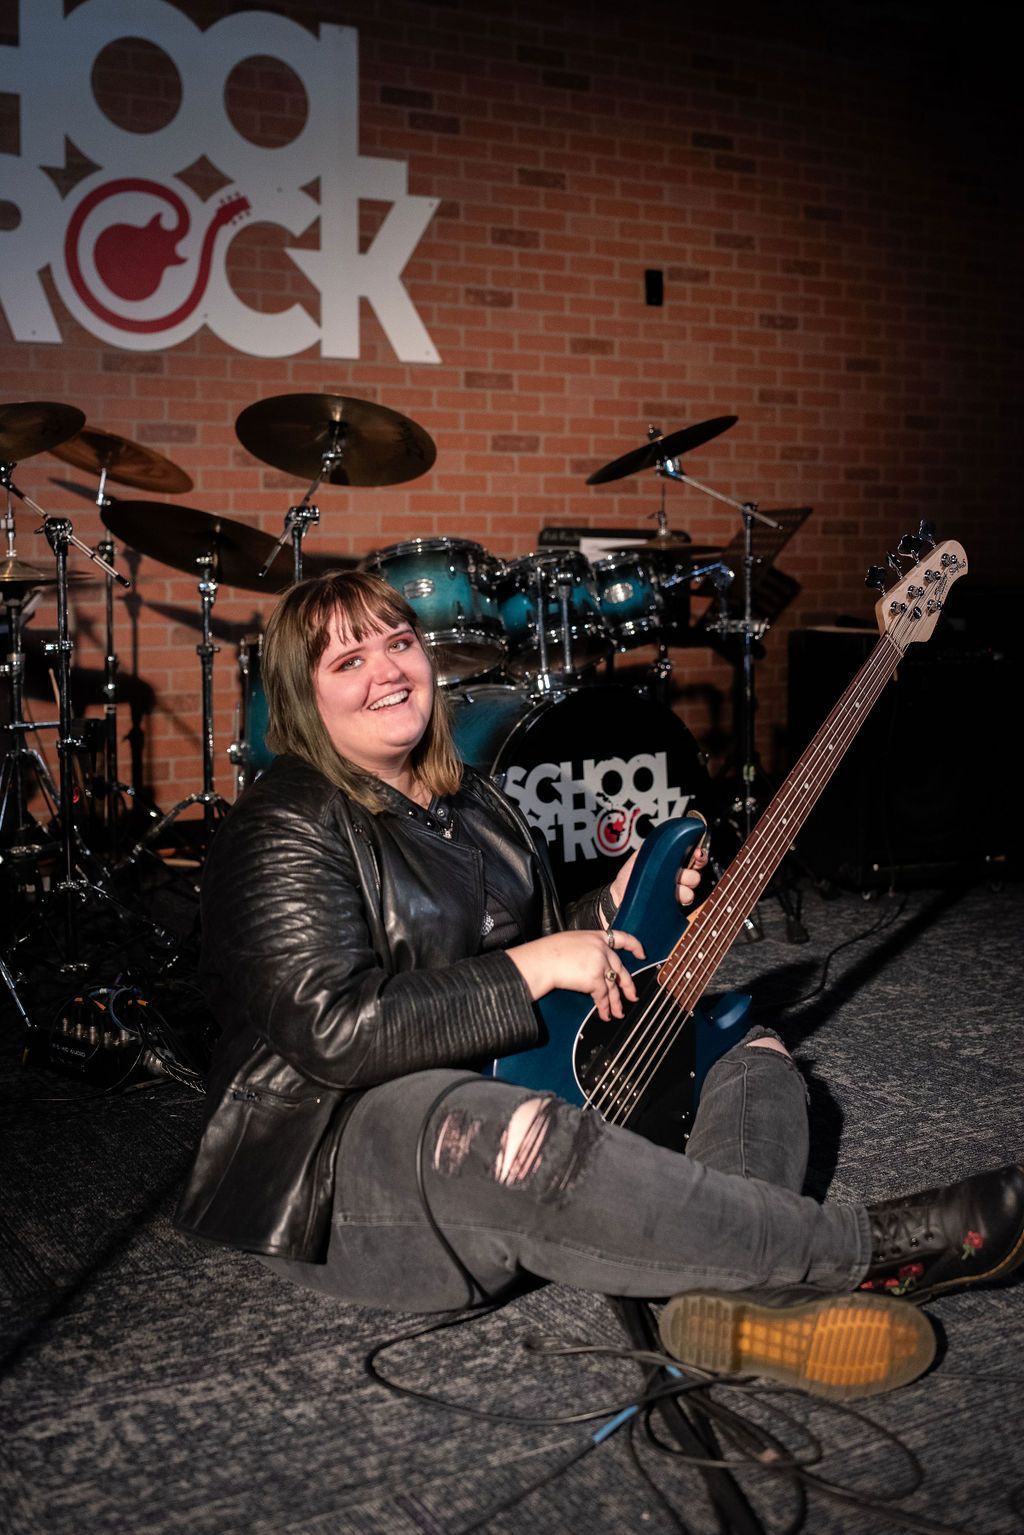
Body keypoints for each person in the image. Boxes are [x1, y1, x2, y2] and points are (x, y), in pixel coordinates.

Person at [176, 571, 1024, 1402]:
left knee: (751, 1049)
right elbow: (336, 1031)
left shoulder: (472, 797)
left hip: (517, 1078)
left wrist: (611, 904)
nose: (388, 670)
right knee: (506, 1125)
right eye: (348, 661)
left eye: (399, 643)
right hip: (351, 1164)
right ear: (302, 695)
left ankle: (734, 1298)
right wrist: (537, 964)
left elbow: (527, 937)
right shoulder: (283, 820)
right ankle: (866, 1251)